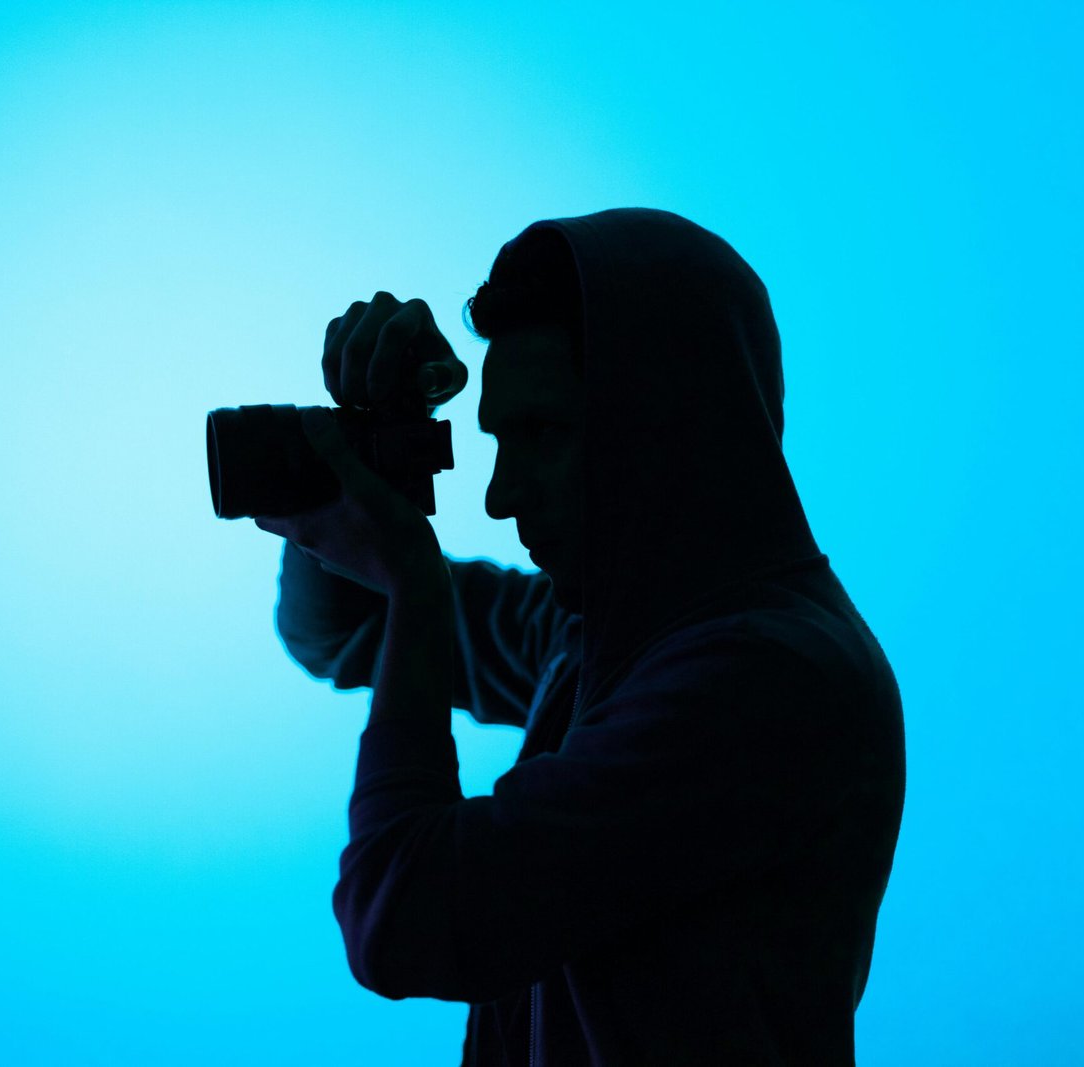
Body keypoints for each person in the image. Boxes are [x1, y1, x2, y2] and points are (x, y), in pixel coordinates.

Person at [254, 208, 906, 1065]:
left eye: (542, 432)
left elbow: (401, 918)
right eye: (498, 438)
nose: (499, 495)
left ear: (673, 422)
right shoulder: (593, 635)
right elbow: (336, 626)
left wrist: (414, 579)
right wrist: (369, 441)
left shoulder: (769, 682)